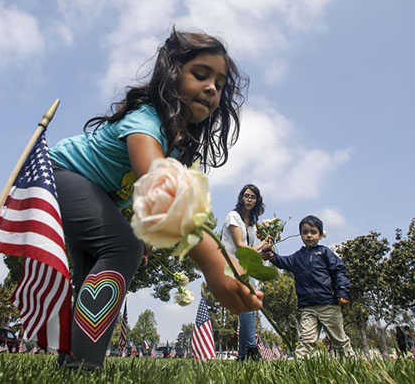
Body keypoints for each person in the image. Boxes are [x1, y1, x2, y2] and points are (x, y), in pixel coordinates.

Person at [49, 28, 260, 370]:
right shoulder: (145, 120)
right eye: (200, 75)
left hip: (97, 194)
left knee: (98, 268)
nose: (211, 88)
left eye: (219, 85)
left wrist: (143, 236)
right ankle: (84, 365)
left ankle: (75, 365)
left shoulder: (178, 146)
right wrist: (213, 263)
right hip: (60, 173)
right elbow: (156, 189)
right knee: (121, 249)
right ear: (171, 75)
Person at [262, 215, 355, 358]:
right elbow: (283, 262)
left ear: (320, 234)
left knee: (339, 339)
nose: (309, 236)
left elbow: (339, 271)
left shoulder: (324, 253)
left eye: (313, 232)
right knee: (306, 340)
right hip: (307, 307)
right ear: (300, 235)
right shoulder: (297, 257)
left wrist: (342, 292)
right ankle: (300, 368)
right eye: (305, 232)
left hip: (328, 304)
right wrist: (271, 255)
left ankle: (351, 362)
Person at [220, 184, 271, 360]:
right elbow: (241, 246)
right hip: (232, 266)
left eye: (253, 197)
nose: (249, 199)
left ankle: (243, 356)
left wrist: (263, 250)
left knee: (248, 309)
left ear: (257, 201)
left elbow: (251, 249)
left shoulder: (252, 224)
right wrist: (262, 244)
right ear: (241, 197)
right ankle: (251, 347)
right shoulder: (233, 216)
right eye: (246, 196)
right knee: (249, 305)